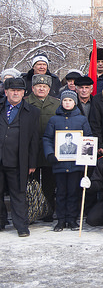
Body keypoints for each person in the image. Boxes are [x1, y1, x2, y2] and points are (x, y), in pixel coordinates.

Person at [43, 90, 92, 232]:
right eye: (65, 101)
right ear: (61, 102)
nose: (67, 103)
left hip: (76, 164)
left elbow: (88, 138)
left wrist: (86, 156)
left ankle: (72, 219)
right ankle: (60, 220)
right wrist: (50, 153)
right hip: (59, 163)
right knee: (60, 192)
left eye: (70, 101)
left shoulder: (82, 119)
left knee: (73, 192)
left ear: (75, 102)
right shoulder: (54, 120)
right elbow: (47, 138)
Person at [0, 77, 40, 236]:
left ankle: (21, 226)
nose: (15, 93)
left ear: (24, 93)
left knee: (18, 194)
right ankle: (1, 221)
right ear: (6, 92)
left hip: (18, 160)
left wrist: (32, 163)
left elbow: (34, 140)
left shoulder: (32, 112)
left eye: (19, 90)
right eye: (12, 90)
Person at [24, 73, 59, 222]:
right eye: (38, 86)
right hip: (30, 149)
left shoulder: (56, 103)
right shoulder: (25, 102)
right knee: (30, 183)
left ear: (49, 88)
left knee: (49, 183)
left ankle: (48, 212)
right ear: (32, 87)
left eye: (44, 86)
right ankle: (31, 211)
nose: (41, 89)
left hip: (49, 148)